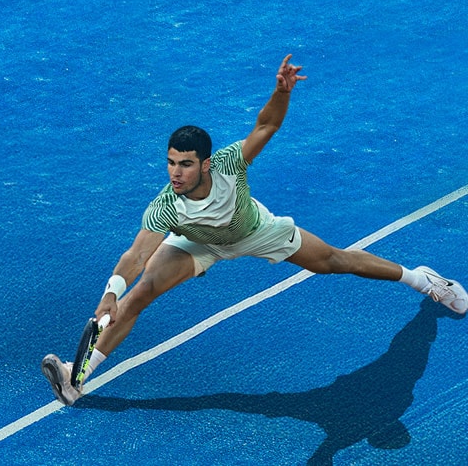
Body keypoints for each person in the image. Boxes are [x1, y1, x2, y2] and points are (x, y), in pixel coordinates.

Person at [41, 54, 467, 406]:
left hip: (254, 230)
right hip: (199, 242)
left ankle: (422, 279)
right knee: (141, 291)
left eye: (185, 164)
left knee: (333, 261)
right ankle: (77, 376)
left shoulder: (229, 164)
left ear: (205, 163)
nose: (176, 172)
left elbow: (266, 126)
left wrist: (281, 92)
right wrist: (110, 294)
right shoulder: (166, 205)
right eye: (171, 163)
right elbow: (136, 254)